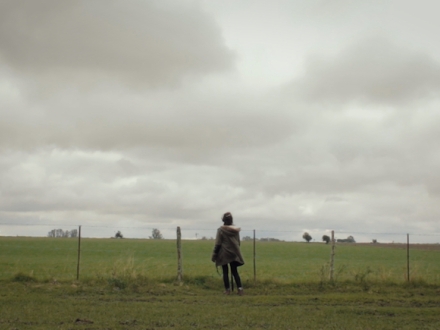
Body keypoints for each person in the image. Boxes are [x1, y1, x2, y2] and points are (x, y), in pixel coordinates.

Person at [211, 212, 245, 295]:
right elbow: (238, 242)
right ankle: (240, 289)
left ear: (223, 220)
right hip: (234, 252)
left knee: (225, 272)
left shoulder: (220, 230)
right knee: (234, 271)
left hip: (224, 253)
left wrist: (214, 254)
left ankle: (227, 290)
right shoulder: (236, 231)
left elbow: (218, 244)